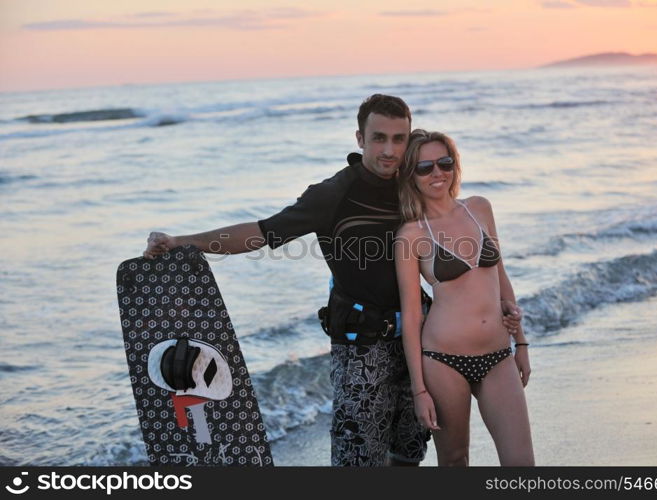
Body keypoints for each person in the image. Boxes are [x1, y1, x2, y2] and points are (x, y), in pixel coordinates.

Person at [143, 95, 523, 466]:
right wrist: (184, 241)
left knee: (409, 451)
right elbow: (262, 232)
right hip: (362, 344)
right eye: (379, 138)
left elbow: (463, 238)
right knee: (357, 458)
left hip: (421, 340)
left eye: (398, 139)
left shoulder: (416, 184)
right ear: (360, 139)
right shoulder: (332, 195)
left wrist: (506, 316)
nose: (389, 150)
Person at [394, 129, 534, 466]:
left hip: (498, 355)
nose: (437, 173)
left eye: (443, 163)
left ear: (454, 165)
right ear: (411, 175)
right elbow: (412, 317)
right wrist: (419, 390)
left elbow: (500, 278)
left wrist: (522, 342)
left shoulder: (479, 208)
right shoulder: (411, 235)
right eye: (424, 167)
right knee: (455, 460)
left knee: (522, 463)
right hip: (443, 362)